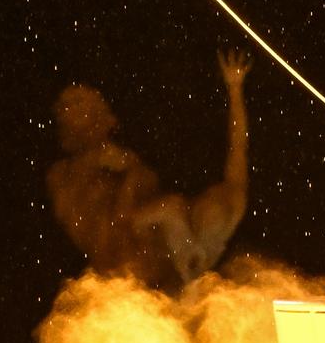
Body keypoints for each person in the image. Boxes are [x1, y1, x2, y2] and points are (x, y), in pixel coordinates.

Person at [47, 51, 251, 290]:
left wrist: (235, 89)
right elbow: (239, 150)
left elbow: (238, 152)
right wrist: (235, 90)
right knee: (168, 210)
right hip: (124, 259)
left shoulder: (199, 215)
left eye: (80, 105)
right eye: (70, 107)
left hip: (137, 270)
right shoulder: (72, 173)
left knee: (168, 211)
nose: (72, 111)